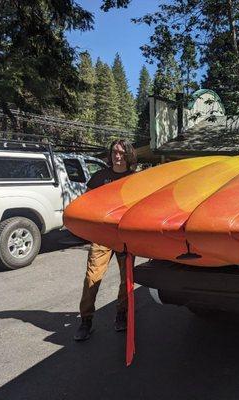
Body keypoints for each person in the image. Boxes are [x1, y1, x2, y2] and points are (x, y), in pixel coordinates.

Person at [74, 139, 137, 341]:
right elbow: (86, 202)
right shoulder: (100, 176)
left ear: (128, 155)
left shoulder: (136, 179)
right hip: (102, 236)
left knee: (126, 279)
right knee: (92, 277)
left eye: (121, 153)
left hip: (124, 236)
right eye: (114, 152)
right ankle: (86, 321)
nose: (117, 156)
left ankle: (121, 314)